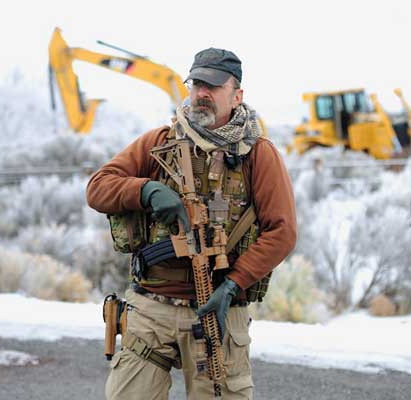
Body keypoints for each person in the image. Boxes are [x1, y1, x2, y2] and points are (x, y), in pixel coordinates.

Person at [86, 48, 297, 399]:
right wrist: (146, 190)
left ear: (237, 95)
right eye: (196, 83)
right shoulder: (159, 142)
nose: (202, 93)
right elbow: (98, 187)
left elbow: (283, 231)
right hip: (152, 309)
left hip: (218, 309)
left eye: (213, 86)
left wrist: (233, 284)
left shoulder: (257, 154)